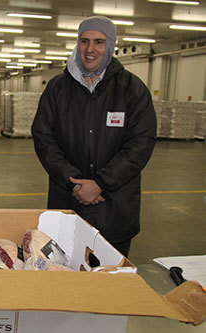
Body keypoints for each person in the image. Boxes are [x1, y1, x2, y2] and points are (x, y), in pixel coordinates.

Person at [31, 16, 156, 257]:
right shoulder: (57, 88)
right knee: (65, 272)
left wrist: (101, 183)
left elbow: (141, 142)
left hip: (114, 206)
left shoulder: (132, 89)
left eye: (99, 42)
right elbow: (43, 137)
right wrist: (74, 181)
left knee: (110, 279)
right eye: (84, 41)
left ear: (110, 46)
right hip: (68, 201)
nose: (90, 49)